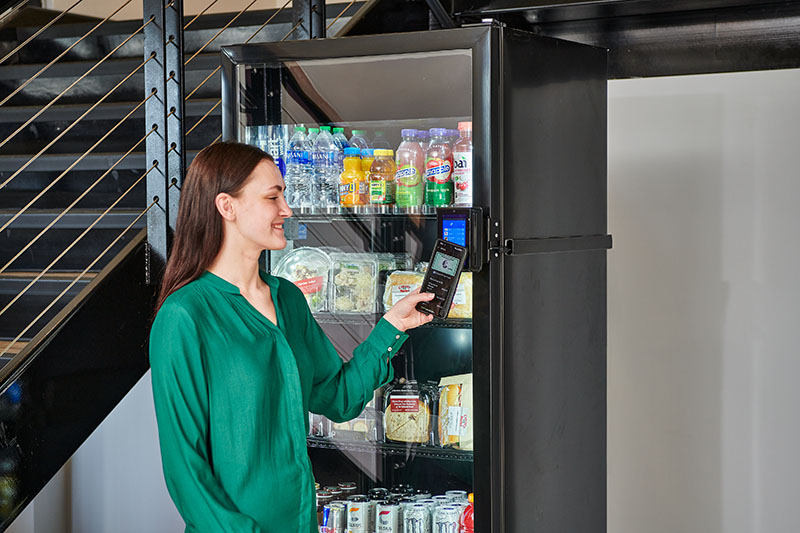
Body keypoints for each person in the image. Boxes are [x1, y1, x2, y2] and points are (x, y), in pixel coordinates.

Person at [148, 141, 434, 532]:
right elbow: (186, 470)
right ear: (226, 207)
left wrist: (392, 327)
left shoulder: (289, 298)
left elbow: (338, 397)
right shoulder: (184, 316)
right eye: (273, 197)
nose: (287, 209)